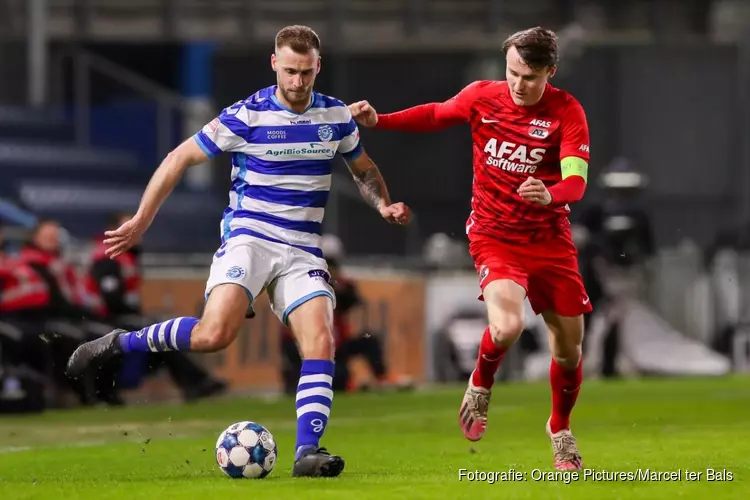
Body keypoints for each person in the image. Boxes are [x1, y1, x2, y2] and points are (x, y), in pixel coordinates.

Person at [65, 25, 411, 477]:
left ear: (318, 67)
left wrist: (383, 203)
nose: (298, 82)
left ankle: (307, 451)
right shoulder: (246, 115)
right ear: (274, 64)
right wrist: (141, 219)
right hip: (250, 238)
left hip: (303, 247)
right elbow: (177, 159)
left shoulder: (336, 118)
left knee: (322, 339)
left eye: (306, 72)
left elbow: (364, 170)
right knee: (214, 336)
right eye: (289, 71)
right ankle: (117, 343)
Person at [348, 27, 590, 471]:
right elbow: (437, 114)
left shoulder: (567, 112)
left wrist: (551, 193)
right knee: (506, 328)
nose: (519, 84)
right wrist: (380, 120)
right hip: (495, 236)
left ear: (550, 72)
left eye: (530, 77)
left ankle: (559, 428)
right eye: (513, 72)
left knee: (569, 351)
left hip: (550, 242)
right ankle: (480, 385)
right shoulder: (483, 96)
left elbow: (576, 181)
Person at [85, 212, 227, 401]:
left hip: (120, 318)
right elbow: (111, 300)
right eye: (130, 227)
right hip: (104, 319)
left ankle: (195, 382)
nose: (136, 233)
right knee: (159, 333)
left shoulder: (126, 257)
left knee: (160, 335)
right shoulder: (107, 257)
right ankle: (196, 382)